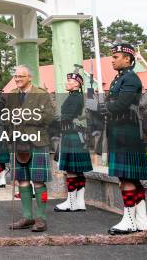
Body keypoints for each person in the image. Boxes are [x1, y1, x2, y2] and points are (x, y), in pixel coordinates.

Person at [99, 43, 147, 234]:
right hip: (121, 131)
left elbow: (120, 104)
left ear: (128, 59)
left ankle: (129, 220)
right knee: (132, 179)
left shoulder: (130, 78)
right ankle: (142, 220)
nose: (112, 60)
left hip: (126, 132)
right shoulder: (121, 78)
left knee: (126, 179)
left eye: (116, 57)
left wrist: (102, 108)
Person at [6, 65, 55, 232]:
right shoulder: (11, 95)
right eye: (15, 76)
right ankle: (27, 217)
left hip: (37, 142)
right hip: (18, 143)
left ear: (29, 78)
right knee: (22, 180)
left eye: (21, 76)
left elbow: (49, 117)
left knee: (38, 180)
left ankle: (41, 218)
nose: (17, 78)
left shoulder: (41, 94)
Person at [54, 72, 92, 212]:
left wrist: (54, 119)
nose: (67, 83)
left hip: (71, 134)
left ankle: (71, 202)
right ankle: (80, 202)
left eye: (69, 81)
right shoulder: (78, 97)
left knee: (71, 170)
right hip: (78, 135)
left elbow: (67, 117)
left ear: (77, 83)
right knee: (79, 170)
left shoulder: (73, 98)